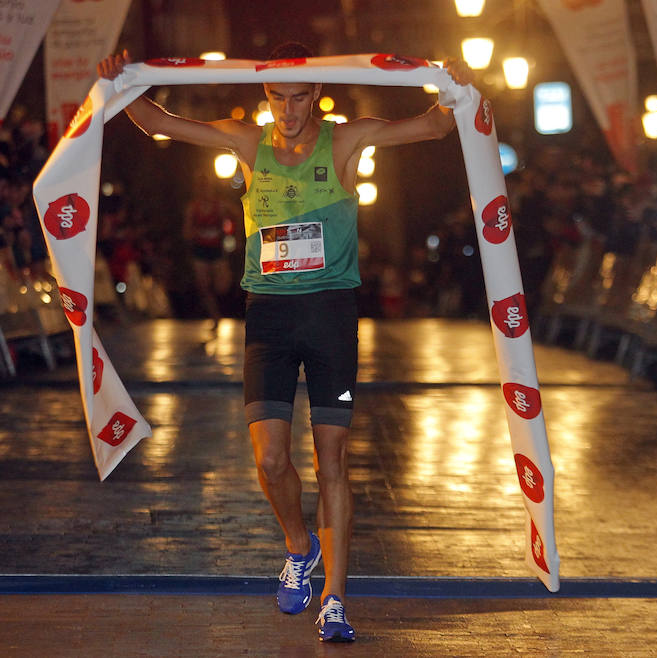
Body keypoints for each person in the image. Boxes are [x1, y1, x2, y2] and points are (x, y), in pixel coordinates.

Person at [98, 42, 474, 642]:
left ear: (317, 94)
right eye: (279, 96)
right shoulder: (247, 143)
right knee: (270, 459)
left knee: (333, 464)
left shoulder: (347, 140)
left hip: (330, 317)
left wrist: (451, 83)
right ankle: (300, 548)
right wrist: (121, 79)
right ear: (265, 94)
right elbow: (156, 123)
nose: (291, 110)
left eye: (301, 97)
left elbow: (433, 126)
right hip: (269, 317)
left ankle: (335, 601)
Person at [183, 172, 234, 328]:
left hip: (217, 248)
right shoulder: (193, 207)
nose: (205, 191)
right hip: (200, 249)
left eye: (207, 188)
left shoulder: (221, 206)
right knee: (203, 286)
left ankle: (223, 308)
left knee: (221, 286)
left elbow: (234, 218)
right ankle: (215, 316)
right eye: (202, 188)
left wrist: (229, 235)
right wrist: (194, 233)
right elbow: (186, 230)